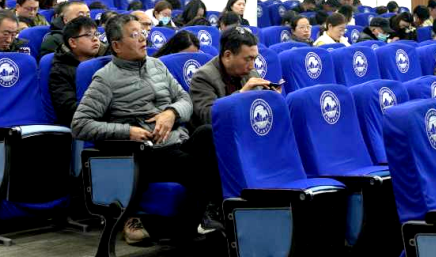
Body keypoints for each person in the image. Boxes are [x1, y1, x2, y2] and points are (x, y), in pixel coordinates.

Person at [72, 14, 221, 242]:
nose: (143, 39)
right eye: (134, 35)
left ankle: (193, 221)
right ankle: (198, 222)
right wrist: (127, 131)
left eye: (142, 33)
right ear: (116, 46)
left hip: (177, 141)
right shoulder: (105, 79)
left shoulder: (157, 65)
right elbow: (80, 125)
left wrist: (171, 113)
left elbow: (185, 99)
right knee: (199, 166)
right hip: (147, 152)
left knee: (208, 133)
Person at [190, 27, 276, 128]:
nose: (252, 66)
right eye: (248, 59)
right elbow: (208, 117)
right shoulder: (203, 77)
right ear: (228, 56)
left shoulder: (250, 72)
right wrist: (241, 94)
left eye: (254, 59)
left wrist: (271, 97)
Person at [49, 16, 102, 128]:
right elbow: (68, 109)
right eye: (88, 35)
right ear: (73, 42)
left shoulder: (104, 62)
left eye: (96, 34)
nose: (95, 39)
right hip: (85, 125)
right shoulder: (60, 71)